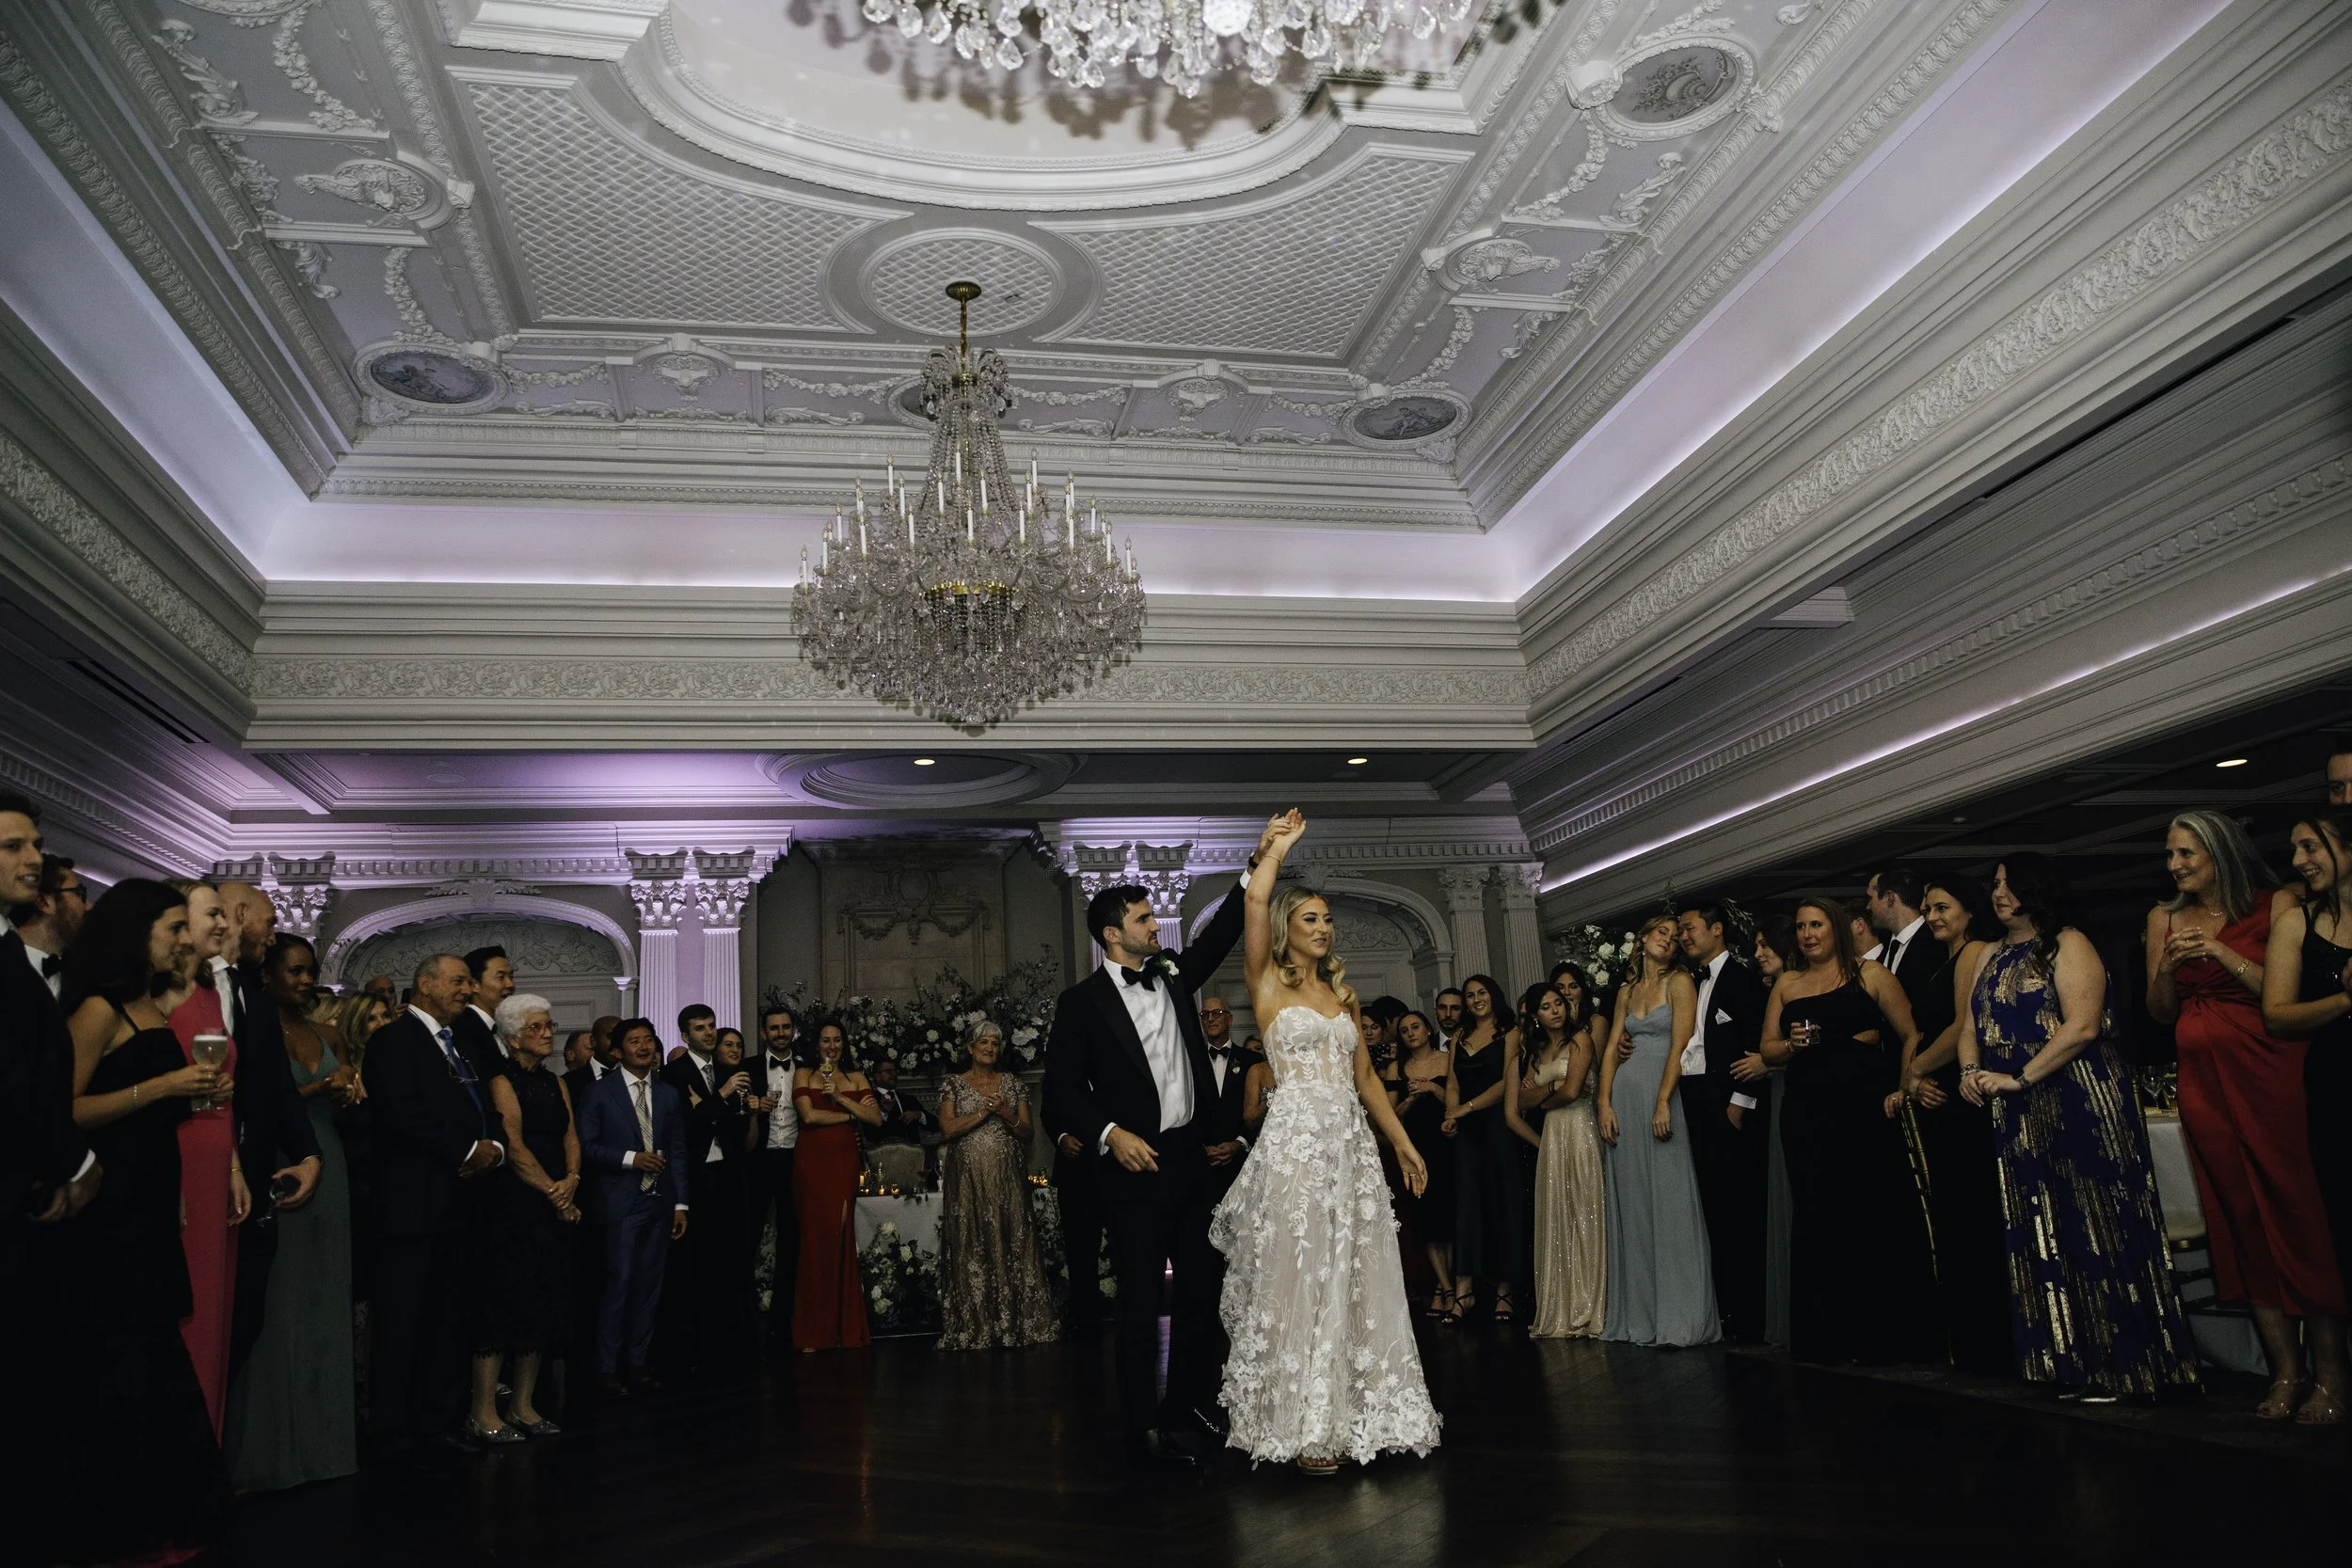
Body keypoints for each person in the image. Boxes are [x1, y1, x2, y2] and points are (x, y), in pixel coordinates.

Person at [1213, 810, 1438, 1473]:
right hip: (1296, 1146)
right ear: (1287, 929)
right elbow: (1254, 900)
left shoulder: (1345, 998)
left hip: (1350, 1147)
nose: (1323, 927)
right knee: (1301, 1274)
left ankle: (1363, 1410)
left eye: (1327, 919)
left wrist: (1400, 1142)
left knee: (1359, 1271)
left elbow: (1364, 1074)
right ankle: (1305, 1425)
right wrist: (1273, 854)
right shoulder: (1266, 985)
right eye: (1310, 918)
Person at [1041, 819, 1269, 1470]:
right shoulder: (1081, 1003)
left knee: (1202, 1287)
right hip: (1133, 1172)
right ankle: (1142, 1425)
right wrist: (1112, 1135)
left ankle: (1188, 1407)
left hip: (1190, 1162)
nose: (1154, 927)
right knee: (1140, 1302)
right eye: (1143, 919)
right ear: (1113, 934)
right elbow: (1060, 1094)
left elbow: (1219, 932)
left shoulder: (1171, 976)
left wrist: (1256, 863)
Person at [1959, 856, 2199, 1401]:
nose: (1998, 893)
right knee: (2041, 1225)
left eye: (2009, 883)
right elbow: (1970, 1023)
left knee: (2096, 1221)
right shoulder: (1990, 954)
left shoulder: (2070, 943)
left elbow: (2084, 1025)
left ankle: (2129, 1367)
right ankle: (2069, 1364)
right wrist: (1972, 1071)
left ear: (2037, 889)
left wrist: (2018, 1077)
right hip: (2015, 1103)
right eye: (1994, 884)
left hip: (2078, 1094)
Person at [2145, 811, 2342, 1419]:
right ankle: (2284, 1373)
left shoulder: (2276, 903)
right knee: (2241, 1220)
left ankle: (2332, 1376)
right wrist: (2169, 968)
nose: (2175, 866)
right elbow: (2157, 1011)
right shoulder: (2163, 916)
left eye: (2186, 854)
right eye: (2171, 855)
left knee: (2298, 1211)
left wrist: (2221, 954)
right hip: (2204, 1083)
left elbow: (2285, 991)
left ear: (2219, 852)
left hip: (2271, 1071)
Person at [59, 879, 229, 1561]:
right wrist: (163, 1086)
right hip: (109, 1212)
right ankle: (120, 1524)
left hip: (155, 1203)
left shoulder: (147, 1004)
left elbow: (150, 1116)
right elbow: (66, 1109)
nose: (183, 940)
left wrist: (189, 1099)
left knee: (154, 1361)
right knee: (124, 1366)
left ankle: (160, 1517)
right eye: (171, 928)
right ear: (135, 931)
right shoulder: (99, 1008)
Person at [1762, 896, 1935, 1365]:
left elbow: (1911, 1034)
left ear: (1836, 928)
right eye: (1800, 927)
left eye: (1816, 924)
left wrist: (1904, 1086)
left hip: (1860, 1109)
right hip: (1804, 1112)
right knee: (1818, 1214)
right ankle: (1828, 1336)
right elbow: (1767, 1050)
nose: (1807, 934)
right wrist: (1789, 1046)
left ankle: (1884, 1335)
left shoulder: (1870, 975)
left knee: (1869, 1211)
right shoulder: (1787, 982)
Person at [225, 934, 360, 1490]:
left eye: (311, 972)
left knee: (326, 1298)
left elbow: (347, 1090)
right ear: (267, 977)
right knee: (276, 1302)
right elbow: (254, 1100)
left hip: (330, 1161)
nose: (307, 981)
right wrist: (313, 1091)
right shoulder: (252, 1031)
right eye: (296, 972)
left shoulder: (328, 1033)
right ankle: (267, 1452)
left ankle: (325, 1447)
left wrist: (348, 1091)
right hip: (275, 1162)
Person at [365, 955, 508, 1456]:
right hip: (414, 1208)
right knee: (405, 1324)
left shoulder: (461, 1045)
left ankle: (436, 1422)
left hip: (460, 1206)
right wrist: (466, 1151)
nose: (468, 990)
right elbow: (400, 1113)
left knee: (449, 1321)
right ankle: (395, 1434)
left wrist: (494, 1148)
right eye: (458, 981)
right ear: (424, 985)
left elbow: (484, 1108)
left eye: (470, 982)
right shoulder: (393, 1041)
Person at [1892, 875, 2013, 1375]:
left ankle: (1989, 1346)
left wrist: (1917, 1073)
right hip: (1941, 1100)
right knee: (1955, 1222)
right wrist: (1913, 1082)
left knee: (1972, 1220)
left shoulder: (1974, 952)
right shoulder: (1949, 958)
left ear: (1968, 910)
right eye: (1928, 908)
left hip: (1965, 1104)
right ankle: (1970, 1343)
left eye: (1943, 907)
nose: (1934, 916)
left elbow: (1965, 1027)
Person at [2263, 810, 2352, 1423]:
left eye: (2311, 846)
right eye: (2295, 848)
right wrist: (2346, 996)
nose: (2299, 860)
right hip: (2333, 1085)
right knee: (2340, 1230)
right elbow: (2276, 1014)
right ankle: (2338, 1381)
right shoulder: (2299, 920)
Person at [215, 879, 322, 1384]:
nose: (274, 934)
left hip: (254, 1179)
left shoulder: (253, 997)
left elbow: (277, 1087)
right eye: (271, 922)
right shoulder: (187, 989)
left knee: (245, 1319)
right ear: (239, 915)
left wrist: (308, 1154)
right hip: (203, 1171)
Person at [1594, 915, 1718, 1347]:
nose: (1669, 939)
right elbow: (1611, 1048)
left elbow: (1681, 1041)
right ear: (1643, 938)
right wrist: (1604, 1102)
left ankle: (1679, 1317)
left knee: (1670, 1202)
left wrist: (1664, 1099)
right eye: (1661, 932)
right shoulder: (1626, 992)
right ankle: (1640, 1318)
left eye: (1674, 935)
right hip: (1624, 1102)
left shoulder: (1679, 982)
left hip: (1663, 1096)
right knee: (1635, 1208)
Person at [470, 993, 580, 1440]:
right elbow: (512, 1146)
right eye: (536, 1028)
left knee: (542, 1302)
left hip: (555, 1198)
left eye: (549, 1026)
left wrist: (572, 1177)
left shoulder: (557, 1082)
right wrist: (557, 1194)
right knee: (502, 1303)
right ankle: (483, 1411)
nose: (547, 1033)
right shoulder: (500, 1079)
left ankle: (524, 1405)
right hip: (513, 1204)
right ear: (513, 1039)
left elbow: (571, 1133)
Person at [164, 879, 246, 1436]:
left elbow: (223, 1087)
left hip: (218, 1156)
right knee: (186, 1310)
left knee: (218, 1311)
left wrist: (235, 1167)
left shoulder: (210, 993)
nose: (223, 924)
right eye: (211, 915)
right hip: (180, 1155)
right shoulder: (158, 995)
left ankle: (207, 1454)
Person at [576, 1018, 688, 1396]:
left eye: (648, 1040)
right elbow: (586, 1147)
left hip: (660, 1203)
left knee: (648, 1287)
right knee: (619, 1284)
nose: (643, 1046)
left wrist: (681, 1204)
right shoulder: (598, 1093)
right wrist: (631, 1159)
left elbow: (679, 1151)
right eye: (634, 1041)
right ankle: (606, 1368)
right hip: (619, 1202)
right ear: (616, 1050)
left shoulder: (669, 1094)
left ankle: (637, 1363)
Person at [1676, 902, 1769, 1341]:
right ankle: (1724, 1310)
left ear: (1716, 930)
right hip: (1692, 1101)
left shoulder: (1744, 979)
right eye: (1679, 931)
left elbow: (1755, 1045)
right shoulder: (1685, 981)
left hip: (1728, 1105)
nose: (1683, 936)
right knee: (1710, 1210)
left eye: (1689, 929)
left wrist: (1740, 1102)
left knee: (1740, 1210)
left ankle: (1750, 1314)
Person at [935, 1020, 1058, 1350]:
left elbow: (1028, 1133)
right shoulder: (953, 1085)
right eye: (984, 1042)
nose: (990, 1048)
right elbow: (946, 1129)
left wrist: (1004, 1112)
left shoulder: (1013, 1085)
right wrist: (982, 1115)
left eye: (995, 1043)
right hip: (968, 1182)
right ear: (971, 1047)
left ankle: (1018, 1324)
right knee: (971, 1241)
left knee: (1012, 1237)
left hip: (1007, 1181)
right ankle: (976, 1325)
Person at [660, 1003, 754, 1374]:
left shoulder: (730, 1069)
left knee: (729, 1256)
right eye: (700, 1028)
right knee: (694, 1261)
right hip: (693, 1176)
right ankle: (692, 1347)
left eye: (712, 1025)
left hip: (730, 1173)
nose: (709, 1033)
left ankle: (730, 1343)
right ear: (685, 1035)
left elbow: (734, 1120)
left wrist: (713, 1106)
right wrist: (722, 1098)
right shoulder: (673, 1073)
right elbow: (685, 1121)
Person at [1441, 973, 1527, 1324]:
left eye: (1482, 993)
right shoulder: (1459, 1037)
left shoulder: (1510, 1032)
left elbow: (1508, 1081)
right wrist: (1451, 1113)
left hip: (1497, 1126)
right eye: (1470, 994)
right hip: (1466, 1133)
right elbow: (1452, 1082)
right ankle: (1465, 1292)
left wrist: (1468, 1108)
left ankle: (1505, 1291)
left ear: (1494, 995)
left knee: (1499, 1203)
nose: (1476, 999)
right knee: (1465, 1206)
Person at [793, 1019, 882, 1351]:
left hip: (843, 1163)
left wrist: (843, 1099)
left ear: (844, 1045)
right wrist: (851, 1115)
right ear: (817, 1044)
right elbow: (809, 1116)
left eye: (837, 1041)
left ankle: (843, 1328)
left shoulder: (855, 1078)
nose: (831, 1046)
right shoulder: (804, 1074)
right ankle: (813, 1331)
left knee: (840, 1238)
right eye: (825, 1040)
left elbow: (875, 1119)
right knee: (814, 1242)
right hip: (811, 1163)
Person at [1522, 979, 1604, 1338]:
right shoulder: (1534, 1052)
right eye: (1546, 1006)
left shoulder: (1581, 1040)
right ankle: (1563, 1306)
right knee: (1558, 1214)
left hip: (1582, 1130)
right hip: (1553, 1137)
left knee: (1586, 1211)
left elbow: (1575, 1092)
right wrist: (1552, 1091)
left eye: (1559, 1003)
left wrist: (1545, 1095)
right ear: (1536, 1015)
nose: (1555, 1010)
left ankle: (1589, 1307)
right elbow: (1520, 1103)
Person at [1743, 917, 1798, 1349]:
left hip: (1796, 1089)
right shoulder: (1767, 991)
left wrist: (1771, 1062)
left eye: (1766, 944)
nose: (1759, 953)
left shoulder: (1803, 985)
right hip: (1776, 1097)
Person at [747, 1004, 801, 1345]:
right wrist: (751, 1108)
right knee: (748, 1235)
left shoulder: (810, 1069)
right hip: (757, 1160)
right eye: (774, 1028)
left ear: (793, 1030)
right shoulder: (747, 1067)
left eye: (785, 1027)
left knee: (791, 1239)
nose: (780, 1033)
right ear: (764, 1032)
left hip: (797, 1158)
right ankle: (747, 1318)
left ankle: (784, 1320)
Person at [8, 849, 85, 998]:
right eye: (79, 893)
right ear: (44, 902)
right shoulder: (6, 964)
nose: (88, 905)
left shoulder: (76, 981)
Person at [453, 946, 515, 1079]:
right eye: (501, 977)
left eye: (511, 976)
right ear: (474, 985)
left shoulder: (500, 1028)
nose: (510, 984)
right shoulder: (462, 1029)